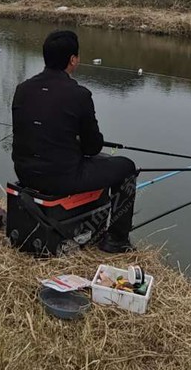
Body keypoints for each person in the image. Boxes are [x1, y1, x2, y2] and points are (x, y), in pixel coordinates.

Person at [12, 29, 138, 254]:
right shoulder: (79, 94)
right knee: (126, 167)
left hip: (25, 173)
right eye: (77, 57)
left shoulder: (22, 89)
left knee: (98, 162)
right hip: (60, 178)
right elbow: (93, 148)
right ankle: (117, 240)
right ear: (72, 59)